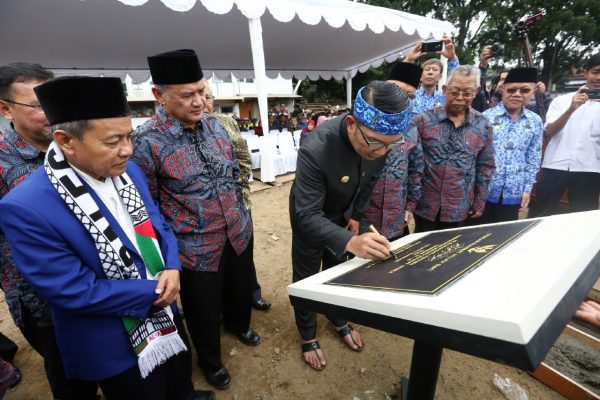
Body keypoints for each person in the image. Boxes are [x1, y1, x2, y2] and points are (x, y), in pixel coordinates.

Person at [0, 76, 214, 400]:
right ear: (66, 140)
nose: (128, 149)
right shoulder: (26, 207)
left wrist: (171, 266)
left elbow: (159, 225)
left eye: (129, 135)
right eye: (113, 140)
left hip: (165, 312)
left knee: (180, 383)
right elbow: (71, 289)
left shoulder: (128, 171)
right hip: (113, 338)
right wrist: (153, 290)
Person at [132, 49, 260, 390]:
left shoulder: (217, 127)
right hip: (195, 248)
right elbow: (148, 208)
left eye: (202, 91)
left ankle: (238, 324)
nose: (199, 101)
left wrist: (242, 213)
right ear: (159, 96)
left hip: (237, 231)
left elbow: (234, 172)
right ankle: (210, 360)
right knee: (203, 311)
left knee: (240, 288)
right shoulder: (146, 143)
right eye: (187, 95)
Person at [290, 81, 413, 371]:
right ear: (351, 124)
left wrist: (357, 215)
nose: (382, 152)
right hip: (312, 214)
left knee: (337, 271)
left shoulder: (381, 143)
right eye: (374, 142)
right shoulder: (316, 147)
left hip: (345, 213)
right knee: (307, 276)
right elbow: (305, 215)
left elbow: (369, 181)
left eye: (390, 144)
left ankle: (336, 317)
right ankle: (307, 334)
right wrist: (350, 241)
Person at [0, 62, 99, 399]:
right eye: (37, 105)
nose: (51, 112)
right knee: (70, 373)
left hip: (102, 283)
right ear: (5, 108)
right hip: (44, 301)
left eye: (53, 100)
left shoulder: (77, 147)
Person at [203, 82, 271, 311]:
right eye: (198, 96)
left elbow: (243, 160)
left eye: (208, 97)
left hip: (239, 206)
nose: (203, 102)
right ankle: (224, 305)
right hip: (207, 216)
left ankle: (252, 292)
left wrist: (241, 197)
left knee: (244, 256)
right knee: (218, 263)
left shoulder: (227, 123)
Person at [413, 65, 496, 232]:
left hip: (459, 206)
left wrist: (480, 201)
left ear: (476, 91)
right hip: (425, 204)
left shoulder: (483, 125)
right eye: (454, 91)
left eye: (467, 93)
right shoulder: (423, 120)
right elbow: (412, 163)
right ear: (444, 90)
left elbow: (485, 166)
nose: (460, 97)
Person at [359, 62, 424, 239]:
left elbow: (415, 171)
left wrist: (410, 206)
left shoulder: (412, 126)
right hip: (362, 220)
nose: (401, 100)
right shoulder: (363, 120)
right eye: (396, 91)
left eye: (408, 96)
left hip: (396, 219)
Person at [530, 53, 600, 217]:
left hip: (590, 168)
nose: (598, 77)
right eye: (595, 71)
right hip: (555, 165)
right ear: (585, 72)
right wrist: (571, 109)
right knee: (540, 212)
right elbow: (549, 131)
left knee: (582, 217)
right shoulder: (562, 101)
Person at [476, 67, 543, 224]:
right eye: (511, 90)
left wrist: (527, 189)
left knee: (502, 235)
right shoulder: (485, 118)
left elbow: (533, 157)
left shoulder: (535, 121)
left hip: (514, 191)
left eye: (524, 90)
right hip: (485, 190)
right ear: (503, 90)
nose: (517, 94)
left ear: (532, 92)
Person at [403, 35, 460, 113]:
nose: (430, 72)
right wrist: (408, 59)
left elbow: (457, 84)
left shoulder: (444, 97)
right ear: (420, 77)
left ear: (440, 77)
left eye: (435, 70)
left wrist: (453, 58)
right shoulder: (410, 95)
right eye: (427, 69)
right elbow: (393, 86)